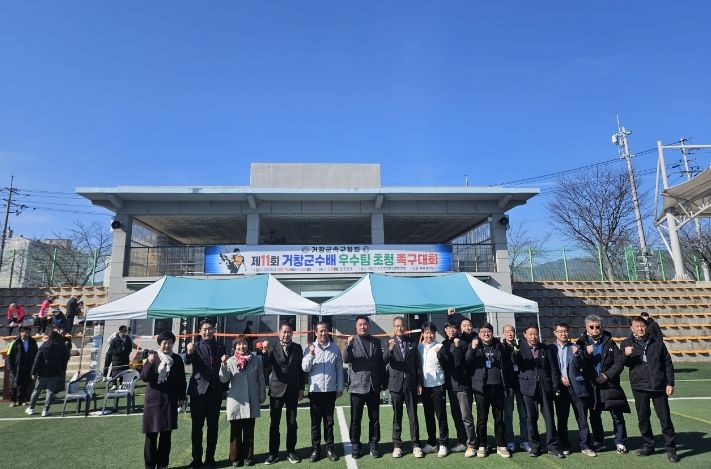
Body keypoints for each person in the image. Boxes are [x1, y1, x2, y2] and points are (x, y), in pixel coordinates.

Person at [622, 317, 679, 463]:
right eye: (637, 326)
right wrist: (625, 355)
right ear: (632, 328)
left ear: (646, 327)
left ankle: (671, 449)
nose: (640, 328)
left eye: (642, 325)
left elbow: (667, 363)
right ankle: (648, 445)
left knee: (665, 418)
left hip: (658, 385)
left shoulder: (657, 342)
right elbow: (622, 363)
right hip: (639, 386)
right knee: (643, 417)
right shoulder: (626, 343)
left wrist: (670, 383)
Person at [576, 314, 630, 455]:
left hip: (610, 384)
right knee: (594, 415)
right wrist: (585, 353)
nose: (595, 329)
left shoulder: (610, 342)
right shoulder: (580, 343)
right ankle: (599, 441)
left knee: (617, 415)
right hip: (592, 386)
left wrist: (606, 375)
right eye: (592, 327)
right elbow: (578, 364)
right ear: (586, 327)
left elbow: (619, 363)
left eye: (598, 326)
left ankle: (620, 441)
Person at [515, 324, 564, 459]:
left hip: (545, 387)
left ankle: (553, 446)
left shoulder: (546, 349)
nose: (533, 336)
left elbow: (553, 369)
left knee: (549, 418)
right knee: (531, 418)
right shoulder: (520, 348)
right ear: (525, 335)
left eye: (535, 334)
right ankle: (535, 446)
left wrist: (555, 386)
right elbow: (515, 361)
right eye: (530, 334)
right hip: (527, 387)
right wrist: (515, 351)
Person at [141, 330, 187, 469]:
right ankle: (150, 465)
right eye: (164, 343)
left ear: (173, 344)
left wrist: (182, 397)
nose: (167, 346)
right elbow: (144, 377)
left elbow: (182, 380)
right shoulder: (153, 356)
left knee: (166, 435)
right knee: (151, 435)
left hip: (170, 401)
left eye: (170, 343)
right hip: (153, 401)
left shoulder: (177, 359)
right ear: (159, 344)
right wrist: (149, 363)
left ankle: (162, 465)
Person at [262, 320, 306, 465]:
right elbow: (266, 365)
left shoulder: (297, 348)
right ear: (279, 333)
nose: (286, 334)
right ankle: (273, 454)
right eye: (284, 332)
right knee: (274, 423)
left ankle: (291, 452)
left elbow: (300, 370)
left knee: (292, 423)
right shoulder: (272, 347)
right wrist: (264, 351)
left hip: (292, 390)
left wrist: (301, 388)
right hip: (276, 390)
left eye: (289, 332)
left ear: (292, 333)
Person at [466, 322, 512, 458]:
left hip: (498, 387)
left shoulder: (499, 346)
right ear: (479, 333)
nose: (486, 334)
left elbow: (507, 364)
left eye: (488, 331)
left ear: (492, 333)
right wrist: (472, 348)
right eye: (483, 332)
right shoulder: (475, 345)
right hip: (482, 388)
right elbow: (468, 361)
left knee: (499, 419)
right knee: (482, 419)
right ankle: (482, 445)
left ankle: (501, 445)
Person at [220, 335, 266, 467]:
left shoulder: (256, 360)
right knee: (235, 431)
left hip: (251, 398)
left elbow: (261, 378)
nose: (242, 346)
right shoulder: (230, 361)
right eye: (239, 344)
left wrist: (262, 394)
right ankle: (235, 457)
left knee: (249, 430)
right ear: (235, 346)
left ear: (248, 345)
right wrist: (223, 364)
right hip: (236, 400)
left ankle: (248, 456)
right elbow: (223, 379)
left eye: (244, 343)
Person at [186, 320, 226, 469]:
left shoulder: (221, 346)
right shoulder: (195, 346)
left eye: (210, 329)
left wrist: (224, 389)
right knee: (197, 427)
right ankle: (196, 459)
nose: (207, 331)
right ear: (200, 331)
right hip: (198, 391)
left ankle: (210, 458)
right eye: (204, 329)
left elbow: (223, 369)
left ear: (214, 330)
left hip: (215, 392)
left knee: (213, 427)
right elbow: (187, 361)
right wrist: (189, 352)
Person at [550, 322, 596, 457]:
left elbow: (582, 364)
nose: (563, 334)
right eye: (560, 331)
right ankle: (564, 445)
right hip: (560, 388)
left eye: (565, 331)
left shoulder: (576, 347)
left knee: (582, 418)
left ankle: (585, 445)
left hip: (577, 387)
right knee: (562, 419)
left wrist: (576, 355)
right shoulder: (550, 348)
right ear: (555, 333)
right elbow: (550, 367)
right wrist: (559, 379)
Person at [344, 315, 385, 459]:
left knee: (374, 418)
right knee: (356, 419)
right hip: (357, 387)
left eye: (365, 324)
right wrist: (348, 346)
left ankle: (374, 444)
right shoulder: (351, 341)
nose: (363, 326)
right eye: (360, 324)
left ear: (369, 325)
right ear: (356, 326)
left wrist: (383, 382)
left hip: (373, 386)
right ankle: (355, 445)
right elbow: (346, 359)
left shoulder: (376, 341)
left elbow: (380, 363)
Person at [302, 321, 343, 462]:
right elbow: (305, 368)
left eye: (325, 330)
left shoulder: (335, 348)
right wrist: (311, 354)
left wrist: (339, 387)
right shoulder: (309, 348)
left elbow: (339, 369)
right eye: (320, 331)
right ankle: (315, 449)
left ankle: (330, 449)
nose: (323, 333)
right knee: (315, 423)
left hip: (330, 391)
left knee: (329, 422)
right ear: (315, 332)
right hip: (315, 391)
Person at [384, 316, 423, 458]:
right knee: (397, 416)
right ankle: (397, 445)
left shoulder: (412, 342)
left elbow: (418, 364)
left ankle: (416, 445)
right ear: (393, 328)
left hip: (410, 384)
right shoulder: (389, 342)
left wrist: (419, 382)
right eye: (396, 326)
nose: (399, 328)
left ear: (405, 327)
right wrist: (390, 349)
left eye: (401, 325)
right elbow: (384, 360)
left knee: (413, 416)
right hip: (395, 384)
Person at [438, 319, 471, 454]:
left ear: (457, 330)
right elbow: (446, 366)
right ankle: (462, 441)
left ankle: (471, 443)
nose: (451, 330)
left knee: (466, 416)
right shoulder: (443, 344)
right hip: (450, 385)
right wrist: (439, 356)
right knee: (456, 415)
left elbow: (459, 364)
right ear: (445, 330)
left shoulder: (462, 343)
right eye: (449, 328)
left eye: (454, 328)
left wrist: (457, 348)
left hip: (462, 384)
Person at [417, 322, 449, 457]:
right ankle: (432, 442)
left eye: (431, 333)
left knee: (441, 415)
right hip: (425, 386)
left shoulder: (440, 347)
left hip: (438, 385)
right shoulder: (419, 347)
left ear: (435, 334)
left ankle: (443, 444)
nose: (429, 335)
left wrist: (440, 355)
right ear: (423, 333)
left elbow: (447, 365)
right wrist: (419, 383)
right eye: (426, 332)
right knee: (428, 415)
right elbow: (418, 367)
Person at [25, 330, 70, 417]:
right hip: (55, 372)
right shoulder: (62, 346)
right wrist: (62, 369)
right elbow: (65, 358)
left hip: (43, 373)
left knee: (36, 391)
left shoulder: (44, 346)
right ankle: (45, 410)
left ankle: (31, 408)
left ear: (49, 337)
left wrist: (33, 372)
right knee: (50, 392)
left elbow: (37, 360)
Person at [501, 324, 529, 453]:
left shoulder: (522, 344)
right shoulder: (501, 346)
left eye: (511, 331)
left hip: (522, 384)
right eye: (507, 331)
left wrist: (518, 351)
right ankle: (510, 440)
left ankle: (524, 440)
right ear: (504, 333)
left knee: (524, 414)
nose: (509, 333)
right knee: (508, 414)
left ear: (515, 332)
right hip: (508, 385)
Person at [7, 326, 39, 406]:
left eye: (28, 332)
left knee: (25, 384)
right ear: (20, 333)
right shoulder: (15, 342)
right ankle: (13, 401)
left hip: (28, 367)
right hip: (16, 368)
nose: (27, 334)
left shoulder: (33, 342)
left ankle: (22, 400)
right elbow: (9, 356)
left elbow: (36, 354)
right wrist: (11, 368)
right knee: (13, 385)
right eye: (25, 332)